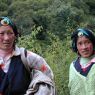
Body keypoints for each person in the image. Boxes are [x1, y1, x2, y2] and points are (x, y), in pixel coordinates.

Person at [0, 17, 55, 95]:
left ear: (15, 36)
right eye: (1, 33)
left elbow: (48, 78)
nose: (6, 38)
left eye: (10, 33)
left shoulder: (27, 57)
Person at [68, 28, 95, 95]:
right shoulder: (73, 66)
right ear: (75, 46)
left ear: (93, 43)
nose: (84, 47)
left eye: (87, 42)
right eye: (80, 43)